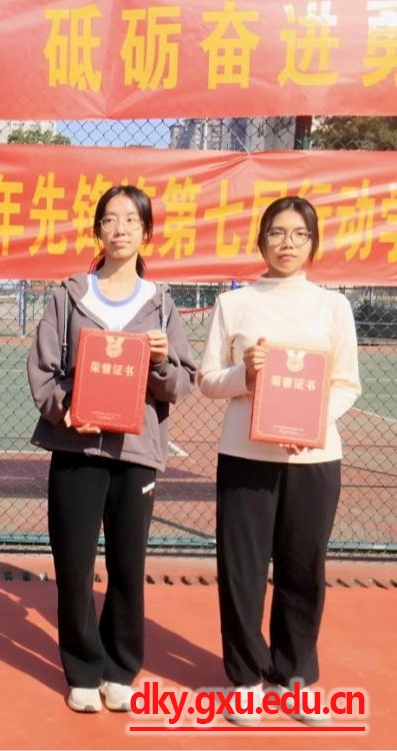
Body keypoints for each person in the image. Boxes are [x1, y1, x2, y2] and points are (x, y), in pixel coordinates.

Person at [26, 185, 197, 714]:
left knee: (127, 563)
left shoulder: (160, 304)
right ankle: (82, 669)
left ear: (147, 232)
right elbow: (43, 370)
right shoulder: (69, 297)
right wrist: (66, 409)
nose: (119, 229)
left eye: (130, 220)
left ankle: (121, 668)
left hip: (135, 453)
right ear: (97, 230)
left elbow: (182, 382)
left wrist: (162, 362)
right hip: (77, 450)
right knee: (74, 563)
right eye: (110, 219)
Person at [198, 196, 361, 726]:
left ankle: (295, 678)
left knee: (302, 571)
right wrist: (244, 374)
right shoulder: (234, 304)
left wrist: (314, 424)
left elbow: (346, 383)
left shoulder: (333, 307)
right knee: (242, 571)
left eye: (298, 234)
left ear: (313, 242)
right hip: (246, 457)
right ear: (261, 240)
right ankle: (247, 678)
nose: (286, 244)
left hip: (314, 460)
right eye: (276, 233)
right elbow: (207, 380)